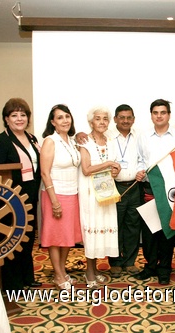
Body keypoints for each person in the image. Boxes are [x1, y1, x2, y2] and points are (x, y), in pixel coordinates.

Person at [0, 98, 42, 291]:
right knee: (11, 238)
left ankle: (27, 276)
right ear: (6, 118)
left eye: (23, 114)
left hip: (31, 195)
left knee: (27, 237)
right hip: (10, 198)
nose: (19, 119)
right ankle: (13, 283)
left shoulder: (32, 139)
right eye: (14, 115)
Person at [135, 98, 175, 285]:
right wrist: (139, 169)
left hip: (169, 191)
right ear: (151, 115)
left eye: (163, 112)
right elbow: (140, 159)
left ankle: (165, 268)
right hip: (148, 189)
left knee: (166, 232)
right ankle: (150, 266)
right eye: (156, 113)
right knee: (149, 232)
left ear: (169, 115)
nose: (159, 116)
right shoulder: (144, 136)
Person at [40, 104, 82, 291]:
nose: (65, 120)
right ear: (52, 122)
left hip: (72, 194)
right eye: (59, 117)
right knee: (55, 237)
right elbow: (44, 173)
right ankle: (57, 275)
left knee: (66, 237)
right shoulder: (50, 141)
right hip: (54, 195)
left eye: (67, 116)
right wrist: (54, 201)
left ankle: (62, 271)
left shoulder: (71, 141)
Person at [78, 106, 121, 288]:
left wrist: (115, 170)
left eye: (105, 119)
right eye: (97, 119)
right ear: (90, 122)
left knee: (104, 228)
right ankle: (89, 272)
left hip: (107, 193)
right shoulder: (84, 142)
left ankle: (95, 270)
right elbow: (86, 170)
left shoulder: (111, 141)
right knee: (92, 230)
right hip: (90, 193)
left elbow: (113, 168)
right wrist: (109, 163)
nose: (102, 122)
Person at [108, 104, 146, 278]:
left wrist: (141, 170)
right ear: (115, 119)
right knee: (115, 225)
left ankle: (130, 262)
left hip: (134, 186)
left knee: (133, 225)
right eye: (121, 117)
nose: (125, 120)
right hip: (114, 187)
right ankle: (115, 262)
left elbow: (143, 158)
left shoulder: (139, 136)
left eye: (128, 117)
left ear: (133, 119)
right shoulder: (107, 136)